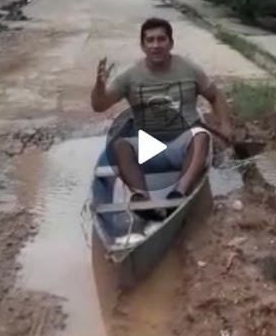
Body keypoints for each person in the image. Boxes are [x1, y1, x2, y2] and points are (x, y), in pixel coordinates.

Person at [91, 17, 233, 216]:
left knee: (201, 136)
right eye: (150, 40)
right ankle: (142, 198)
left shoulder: (188, 69)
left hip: (183, 147)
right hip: (149, 147)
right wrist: (99, 86)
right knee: (120, 145)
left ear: (171, 43)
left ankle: (178, 194)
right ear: (143, 46)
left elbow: (215, 96)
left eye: (161, 39)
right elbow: (99, 106)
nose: (155, 45)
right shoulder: (130, 75)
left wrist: (225, 125)